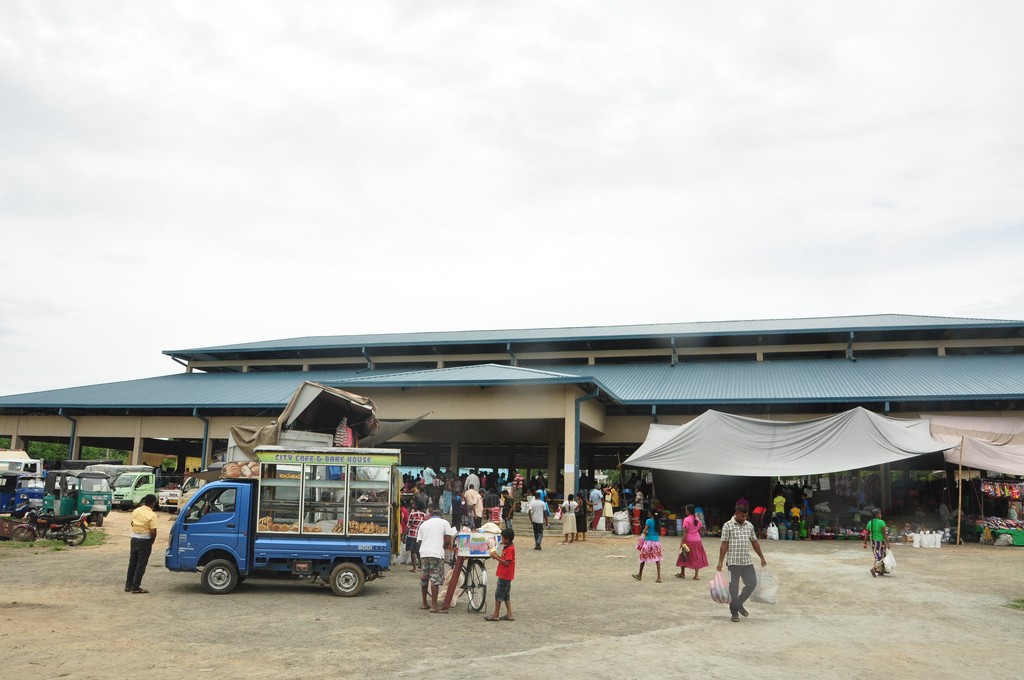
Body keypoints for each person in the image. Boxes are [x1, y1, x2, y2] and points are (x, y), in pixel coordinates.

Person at [717, 502, 767, 622]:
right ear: (736, 513)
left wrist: (762, 557)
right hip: (733, 563)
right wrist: (720, 562)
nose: (744, 519)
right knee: (733, 588)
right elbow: (724, 544)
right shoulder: (727, 526)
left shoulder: (749, 526)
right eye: (742, 516)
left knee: (752, 583)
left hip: (746, 562)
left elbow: (754, 542)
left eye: (746, 516)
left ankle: (737, 604)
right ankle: (734, 613)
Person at [417, 506, 453, 613]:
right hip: (436, 553)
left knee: (424, 578)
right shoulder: (444, 522)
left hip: (424, 553)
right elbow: (447, 540)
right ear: (441, 516)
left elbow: (420, 541)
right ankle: (434, 605)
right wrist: (443, 546)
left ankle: (424, 603)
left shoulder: (424, 524)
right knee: (435, 579)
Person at [125, 494, 159, 594]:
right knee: (141, 564)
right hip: (145, 540)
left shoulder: (136, 511)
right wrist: (152, 540)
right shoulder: (152, 515)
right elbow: (153, 531)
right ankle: (136, 587)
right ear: (153, 503)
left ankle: (128, 585)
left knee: (132, 563)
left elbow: (132, 523)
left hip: (134, 538)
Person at [483, 528, 516, 622]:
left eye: (503, 538)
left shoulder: (509, 549)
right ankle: (509, 613)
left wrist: (496, 557)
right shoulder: (508, 547)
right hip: (507, 575)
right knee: (506, 595)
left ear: (507, 539)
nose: (501, 540)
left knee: (499, 594)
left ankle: (496, 614)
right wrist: (497, 556)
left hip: (505, 574)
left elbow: (506, 562)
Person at [676, 504, 709, 580]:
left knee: (683, 555)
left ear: (688, 511)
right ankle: (696, 575)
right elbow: (700, 529)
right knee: (696, 556)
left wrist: (682, 542)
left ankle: (682, 573)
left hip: (688, 540)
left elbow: (685, 533)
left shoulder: (686, 520)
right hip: (697, 540)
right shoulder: (697, 519)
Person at [632, 508, 663, 582]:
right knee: (657, 559)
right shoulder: (658, 521)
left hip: (648, 541)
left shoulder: (648, 521)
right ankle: (659, 577)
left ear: (651, 513)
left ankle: (639, 575)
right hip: (656, 542)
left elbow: (645, 531)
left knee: (643, 557)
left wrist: (644, 532)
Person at [864, 509, 890, 577]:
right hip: (880, 541)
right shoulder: (882, 522)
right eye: (880, 514)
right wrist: (888, 543)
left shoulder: (870, 522)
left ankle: (880, 570)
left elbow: (867, 533)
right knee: (882, 556)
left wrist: (865, 542)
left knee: (877, 555)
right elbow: (884, 534)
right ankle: (874, 569)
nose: (881, 515)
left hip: (873, 541)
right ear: (877, 515)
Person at [406, 504, 427, 573]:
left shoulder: (412, 514)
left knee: (413, 551)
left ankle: (414, 567)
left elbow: (408, 525)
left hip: (412, 534)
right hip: (419, 535)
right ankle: (422, 566)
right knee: (418, 551)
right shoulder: (424, 515)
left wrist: (403, 534)